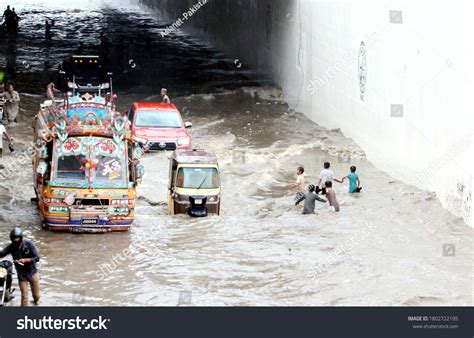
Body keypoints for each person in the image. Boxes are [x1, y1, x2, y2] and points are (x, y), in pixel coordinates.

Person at [0, 228, 41, 306]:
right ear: (11, 239)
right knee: (24, 296)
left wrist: (26, 260)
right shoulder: (11, 247)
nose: (16, 240)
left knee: (36, 296)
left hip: (32, 273)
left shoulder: (29, 244)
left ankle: (36, 302)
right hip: (21, 275)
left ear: (21, 238)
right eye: (14, 238)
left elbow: (37, 257)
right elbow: (2, 253)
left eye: (17, 238)